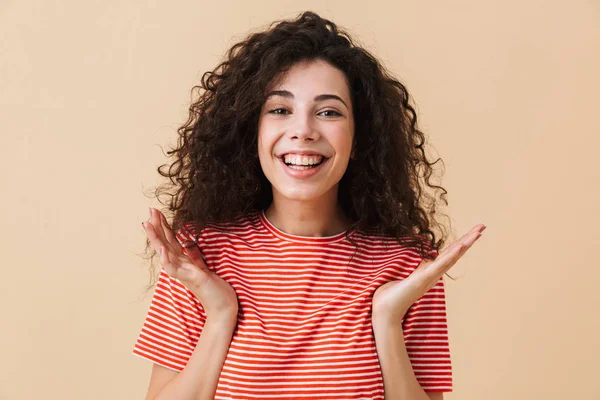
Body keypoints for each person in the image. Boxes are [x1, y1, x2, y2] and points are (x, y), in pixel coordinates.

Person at [133, 10, 486, 400]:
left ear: (359, 140)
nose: (303, 130)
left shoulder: (407, 264)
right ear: (252, 132)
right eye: (280, 110)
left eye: (329, 112)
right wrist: (220, 316)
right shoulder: (200, 255)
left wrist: (386, 319)